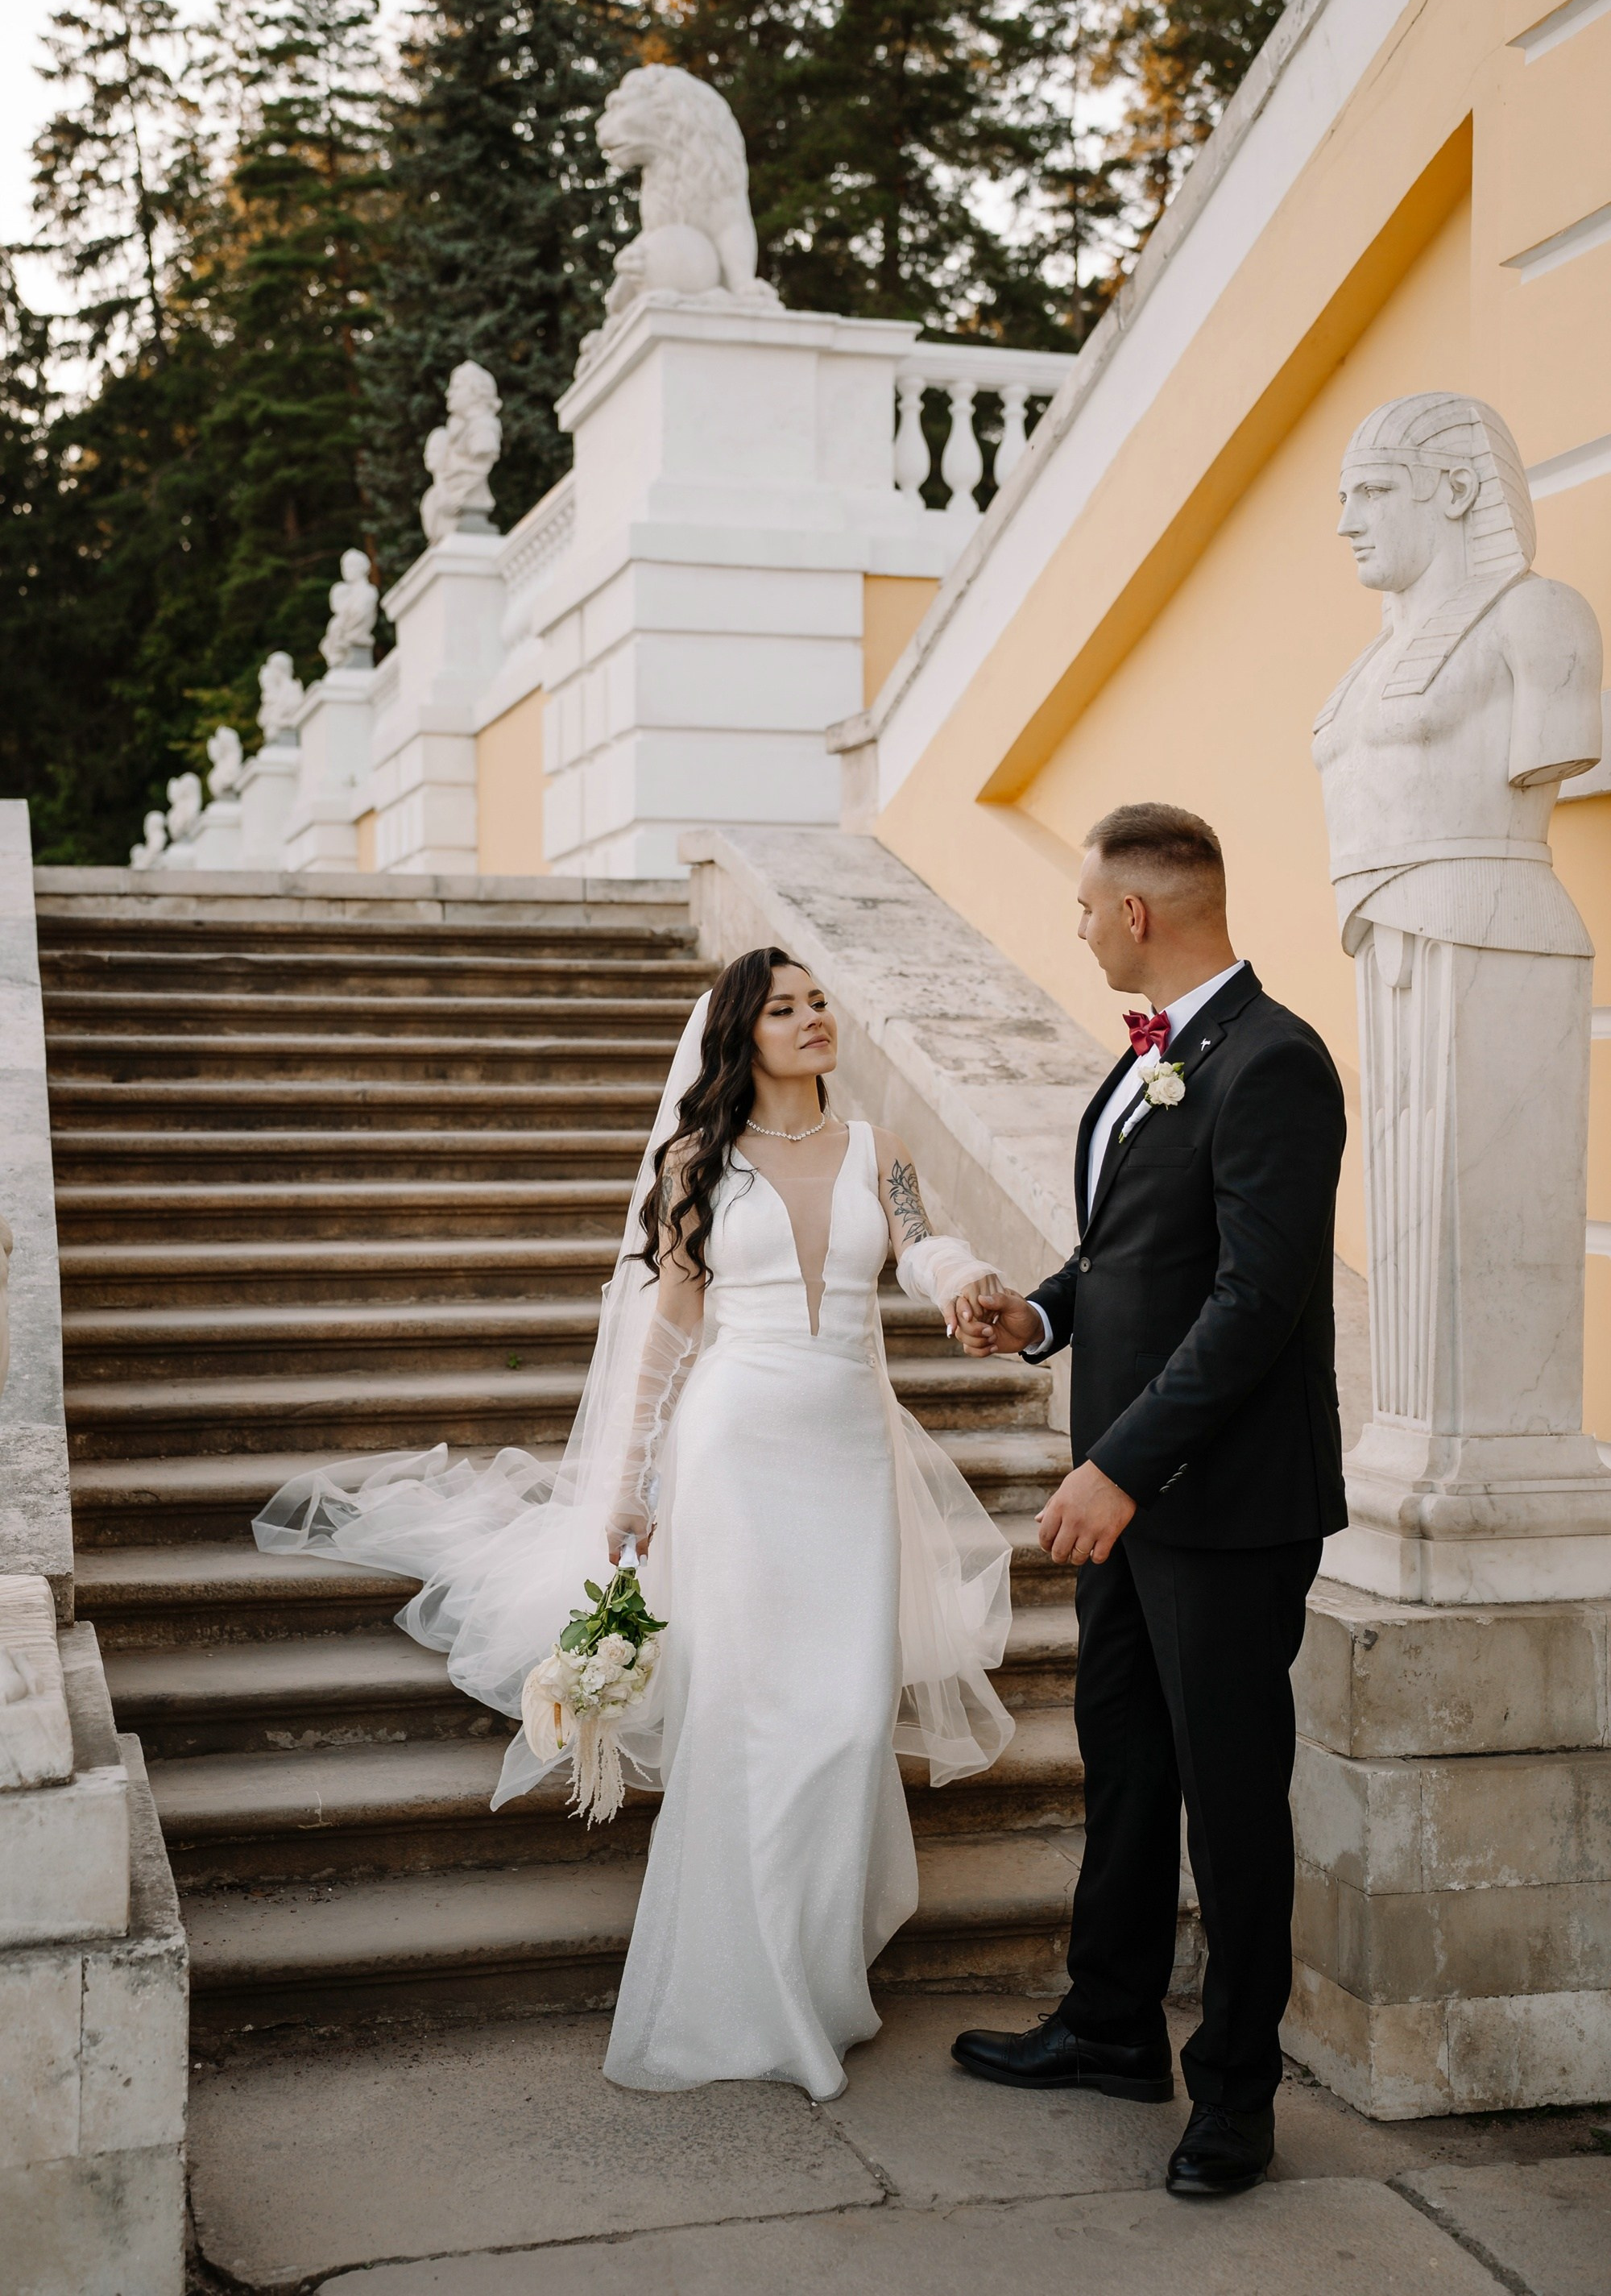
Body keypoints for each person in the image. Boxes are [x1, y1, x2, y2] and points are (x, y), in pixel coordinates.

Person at [253, 947, 1014, 2099]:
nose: (813, 1021)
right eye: (785, 1009)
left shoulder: (882, 1153)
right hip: (737, 1454)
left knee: (853, 1721)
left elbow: (921, 1246)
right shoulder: (697, 1162)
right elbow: (667, 1328)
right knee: (749, 1721)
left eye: (820, 1004)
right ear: (740, 1037)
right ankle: (747, 1999)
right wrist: (628, 1481)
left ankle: (811, 1970)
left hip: (850, 1453)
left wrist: (964, 1281)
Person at [950, 803, 1346, 2199]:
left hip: (1224, 1505)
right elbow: (1131, 1256)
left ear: (1138, 914)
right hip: (1127, 1485)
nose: (1072, 922)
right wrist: (1039, 1318)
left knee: (1230, 1802)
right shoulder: (1153, 1063)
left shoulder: (1275, 1062)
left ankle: (1237, 2096)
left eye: (1083, 903)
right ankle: (1110, 2023)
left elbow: (1255, 1303)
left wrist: (1119, 1466)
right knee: (1124, 1761)